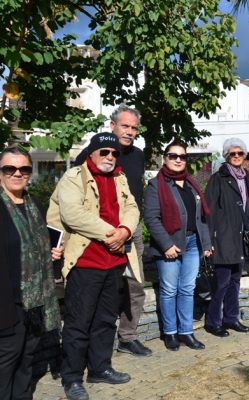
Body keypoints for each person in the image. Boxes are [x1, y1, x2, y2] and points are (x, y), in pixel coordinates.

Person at [49, 132, 140, 400]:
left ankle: (100, 368)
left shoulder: (119, 177)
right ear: (92, 153)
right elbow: (73, 214)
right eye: (104, 152)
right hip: (86, 262)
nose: (110, 157)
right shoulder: (74, 177)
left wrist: (125, 230)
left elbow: (132, 208)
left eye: (114, 153)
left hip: (114, 262)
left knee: (105, 320)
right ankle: (73, 378)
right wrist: (113, 234)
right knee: (78, 323)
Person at [74, 105, 151, 357]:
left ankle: (128, 338)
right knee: (101, 289)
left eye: (133, 128)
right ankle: (92, 347)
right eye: (125, 126)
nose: (129, 132)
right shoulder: (91, 153)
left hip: (131, 230)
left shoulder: (138, 155)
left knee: (134, 285)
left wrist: (130, 227)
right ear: (112, 125)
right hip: (101, 233)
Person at [0, 148, 63, 400]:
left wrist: (51, 254)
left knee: (26, 360)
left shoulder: (35, 203)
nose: (17, 173)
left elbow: (37, 246)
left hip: (35, 302)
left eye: (24, 169)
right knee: (5, 363)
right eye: (9, 169)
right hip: (7, 302)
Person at [144, 142, 212, 350]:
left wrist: (207, 243)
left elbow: (201, 217)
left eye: (182, 157)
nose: (178, 160)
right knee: (169, 289)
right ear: (164, 158)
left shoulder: (191, 183)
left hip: (193, 244)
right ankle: (170, 332)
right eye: (173, 156)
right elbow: (151, 218)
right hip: (170, 246)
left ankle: (186, 332)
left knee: (187, 288)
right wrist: (166, 244)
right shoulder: (156, 185)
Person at [203, 138, 249, 337]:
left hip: (239, 238)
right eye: (232, 153)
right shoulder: (219, 178)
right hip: (223, 239)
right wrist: (210, 240)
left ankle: (231, 318)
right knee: (222, 283)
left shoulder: (244, 177)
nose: (236, 156)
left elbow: (248, 209)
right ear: (226, 155)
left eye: (240, 153)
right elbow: (209, 210)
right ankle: (213, 321)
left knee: (235, 281)